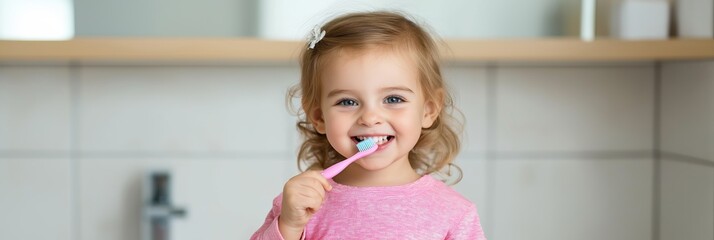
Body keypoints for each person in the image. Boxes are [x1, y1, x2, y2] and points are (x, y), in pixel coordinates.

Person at [251, 11, 486, 240]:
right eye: (348, 102)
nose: (370, 117)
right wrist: (289, 226)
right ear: (319, 117)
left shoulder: (454, 213)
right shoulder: (299, 206)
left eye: (393, 99)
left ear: (429, 110)